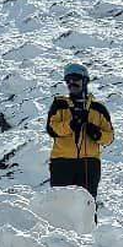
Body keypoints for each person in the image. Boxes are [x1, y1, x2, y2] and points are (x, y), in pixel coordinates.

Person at [46, 62, 115, 199]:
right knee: (60, 205)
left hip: (89, 164)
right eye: (68, 80)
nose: (71, 83)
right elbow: (52, 129)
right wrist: (71, 125)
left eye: (75, 79)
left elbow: (110, 137)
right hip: (62, 163)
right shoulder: (59, 105)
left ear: (85, 81)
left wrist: (97, 133)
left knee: (87, 207)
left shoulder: (98, 108)